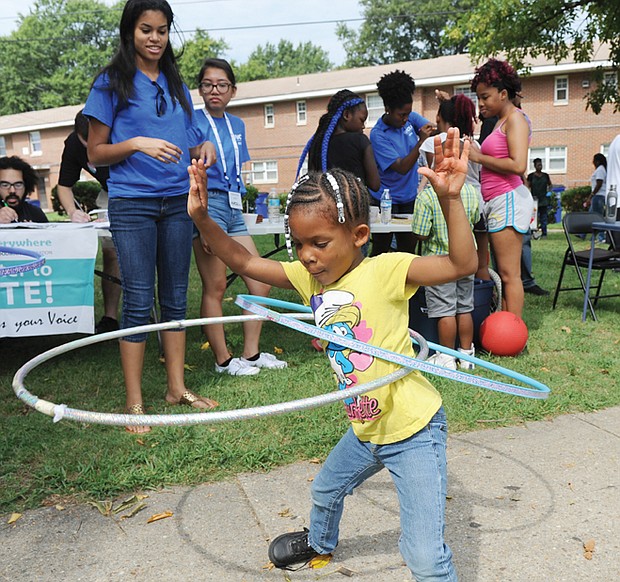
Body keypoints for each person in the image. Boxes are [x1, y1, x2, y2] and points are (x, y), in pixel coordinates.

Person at [188, 127, 477, 580]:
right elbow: (244, 263)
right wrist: (205, 220)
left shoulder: (388, 271)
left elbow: (462, 265)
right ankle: (320, 541)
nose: (306, 256)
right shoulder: (310, 281)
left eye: (319, 243)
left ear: (360, 234)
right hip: (366, 422)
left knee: (422, 554)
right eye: (298, 244)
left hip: (413, 428)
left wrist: (451, 201)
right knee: (325, 489)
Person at [83, 0, 218, 434]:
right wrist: (138, 142)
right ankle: (134, 402)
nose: (155, 38)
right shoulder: (111, 83)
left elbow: (192, 139)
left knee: (175, 297)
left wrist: (205, 149)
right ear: (130, 32)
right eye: (146, 29)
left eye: (162, 30)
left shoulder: (176, 83)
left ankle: (176, 389)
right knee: (139, 300)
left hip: (177, 202)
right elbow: (95, 152)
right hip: (133, 204)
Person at [192, 57, 286, 376]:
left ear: (233, 90)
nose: (214, 90)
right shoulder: (191, 122)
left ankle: (251, 354)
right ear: (200, 89)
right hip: (208, 202)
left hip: (233, 206)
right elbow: (187, 171)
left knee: (259, 280)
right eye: (208, 84)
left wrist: (253, 208)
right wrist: (202, 221)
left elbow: (238, 172)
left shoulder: (237, 125)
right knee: (216, 285)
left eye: (222, 85)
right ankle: (222, 360)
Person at [414, 94, 480, 370]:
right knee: (465, 307)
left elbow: (420, 233)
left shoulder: (427, 197)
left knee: (444, 311)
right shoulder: (471, 192)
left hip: (440, 262)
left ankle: (445, 356)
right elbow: (474, 220)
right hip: (467, 258)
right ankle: (467, 354)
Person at [469, 59, 534, 319]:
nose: (480, 103)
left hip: (508, 199)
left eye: (485, 97)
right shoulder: (500, 121)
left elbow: (518, 165)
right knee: (504, 272)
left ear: (503, 94)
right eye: (478, 98)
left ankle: (512, 328)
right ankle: (505, 324)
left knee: (509, 274)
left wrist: (478, 157)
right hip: (498, 201)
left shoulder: (515, 120)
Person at [56, 110, 122, 334]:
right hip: (109, 193)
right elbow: (64, 185)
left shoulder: (123, 133)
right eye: (87, 144)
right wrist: (73, 212)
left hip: (141, 191)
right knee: (111, 252)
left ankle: (160, 314)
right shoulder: (74, 143)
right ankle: (110, 317)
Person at [369, 70, 436, 255]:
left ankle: (406, 284)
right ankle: (376, 283)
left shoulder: (410, 119)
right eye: (401, 114)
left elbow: (433, 131)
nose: (405, 119)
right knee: (381, 250)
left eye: (407, 113)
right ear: (387, 108)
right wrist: (421, 141)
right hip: (384, 200)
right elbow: (401, 167)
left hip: (409, 198)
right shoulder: (378, 135)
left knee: (408, 250)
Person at [299, 89, 380, 191]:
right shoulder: (361, 141)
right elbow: (375, 185)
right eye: (362, 120)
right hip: (354, 205)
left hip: (323, 205)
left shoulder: (316, 143)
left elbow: (312, 181)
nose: (363, 126)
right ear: (346, 115)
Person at [0, 156, 48, 224]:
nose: (12, 190)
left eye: (18, 185)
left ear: (26, 186)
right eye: (5, 185)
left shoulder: (35, 213)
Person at [526, 158, 552, 237]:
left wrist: (549, 192)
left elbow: (550, 185)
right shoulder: (531, 176)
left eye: (541, 164)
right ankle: (532, 232)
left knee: (543, 217)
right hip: (534, 200)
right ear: (534, 166)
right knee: (533, 217)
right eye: (538, 165)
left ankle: (544, 233)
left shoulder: (545, 175)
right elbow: (527, 186)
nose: (540, 166)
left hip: (543, 199)